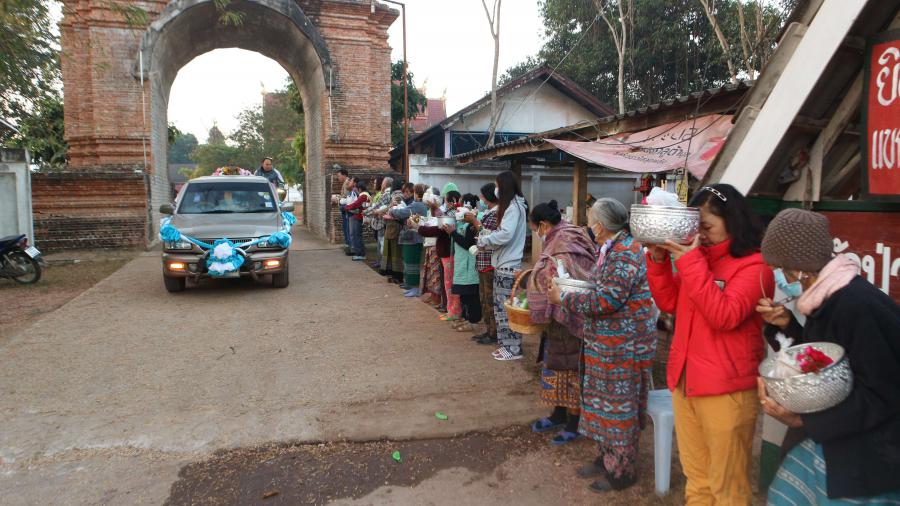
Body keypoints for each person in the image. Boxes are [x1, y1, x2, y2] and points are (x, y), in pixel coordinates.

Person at [755, 208, 900, 504]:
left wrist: (805, 421)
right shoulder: (828, 297)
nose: (780, 277)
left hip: (871, 455)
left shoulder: (855, 306)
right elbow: (825, 365)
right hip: (843, 441)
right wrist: (786, 326)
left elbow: (882, 392)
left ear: (801, 268)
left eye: (781, 268)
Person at [645, 184, 774, 505]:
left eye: (707, 227)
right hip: (685, 382)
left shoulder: (755, 266)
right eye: (696, 227)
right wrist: (658, 260)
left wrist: (690, 262)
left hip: (725, 391)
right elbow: (669, 301)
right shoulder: (700, 259)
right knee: (697, 480)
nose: (700, 235)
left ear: (733, 221)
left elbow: (724, 316)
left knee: (728, 488)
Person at [547, 198, 657, 492]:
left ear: (601, 225)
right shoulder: (611, 248)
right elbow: (600, 286)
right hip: (607, 343)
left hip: (624, 346)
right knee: (602, 403)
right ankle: (606, 458)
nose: (588, 225)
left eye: (590, 220)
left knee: (619, 408)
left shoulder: (625, 253)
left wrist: (564, 298)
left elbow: (606, 300)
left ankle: (621, 472)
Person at [526, 200, 596, 446]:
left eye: (535, 228)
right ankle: (558, 414)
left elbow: (566, 276)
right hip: (558, 315)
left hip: (572, 315)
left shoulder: (564, 242)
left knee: (572, 367)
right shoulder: (567, 235)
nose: (537, 233)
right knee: (556, 364)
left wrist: (536, 279)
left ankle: (574, 423)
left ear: (544, 225)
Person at [478, 170, 528, 361]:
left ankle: (513, 348)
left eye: (497, 185)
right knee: (502, 309)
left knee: (506, 310)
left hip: (508, 265)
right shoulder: (514, 206)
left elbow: (506, 234)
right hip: (504, 263)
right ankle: (507, 345)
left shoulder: (513, 208)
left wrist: (486, 240)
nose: (496, 189)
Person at [443, 194, 482, 333]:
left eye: (462, 205)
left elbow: (468, 243)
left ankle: (474, 321)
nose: (459, 209)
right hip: (461, 263)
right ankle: (467, 318)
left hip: (469, 265)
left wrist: (453, 233)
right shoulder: (460, 222)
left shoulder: (472, 224)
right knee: (463, 294)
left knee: (471, 295)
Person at [466, 183, 500, 345]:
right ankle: (489, 330)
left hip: (489, 261)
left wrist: (474, 221)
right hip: (483, 260)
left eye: (482, 195)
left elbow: (487, 235)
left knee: (490, 299)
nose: (481, 198)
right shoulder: (489, 213)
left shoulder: (496, 214)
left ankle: (493, 333)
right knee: (484, 299)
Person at [390, 183, 428, 297]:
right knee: (408, 261)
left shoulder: (417, 205)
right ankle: (410, 284)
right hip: (413, 237)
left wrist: (392, 209)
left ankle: (414, 287)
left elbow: (401, 213)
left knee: (412, 263)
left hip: (413, 238)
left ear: (416, 193)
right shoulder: (421, 204)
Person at [420, 187, 446, 308]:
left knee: (436, 274)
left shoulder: (440, 210)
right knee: (430, 272)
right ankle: (432, 294)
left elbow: (437, 226)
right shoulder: (430, 210)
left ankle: (437, 297)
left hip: (435, 244)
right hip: (429, 243)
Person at [381, 180, 405, 283]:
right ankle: (395, 274)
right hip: (393, 226)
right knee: (394, 251)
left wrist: (389, 209)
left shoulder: (397, 196)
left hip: (393, 226)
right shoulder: (399, 195)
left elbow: (394, 210)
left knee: (393, 251)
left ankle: (395, 275)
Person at [343, 181, 370, 261]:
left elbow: (355, 204)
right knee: (357, 236)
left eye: (356, 188)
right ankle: (359, 253)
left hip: (359, 217)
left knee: (357, 236)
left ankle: (360, 254)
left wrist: (346, 207)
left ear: (359, 189)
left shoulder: (363, 196)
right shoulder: (364, 195)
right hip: (358, 216)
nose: (355, 190)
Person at [336, 168, 351, 251]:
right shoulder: (345, 183)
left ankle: (349, 244)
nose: (338, 178)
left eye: (339, 176)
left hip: (346, 207)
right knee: (345, 226)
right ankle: (348, 243)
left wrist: (338, 199)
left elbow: (347, 197)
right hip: (344, 206)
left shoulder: (347, 183)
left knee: (347, 226)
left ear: (344, 175)